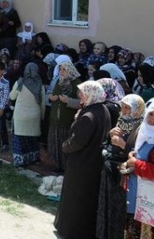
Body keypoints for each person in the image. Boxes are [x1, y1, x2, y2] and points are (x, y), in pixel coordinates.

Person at [54, 81, 111, 239]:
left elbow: (77, 142)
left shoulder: (88, 116)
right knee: (86, 199)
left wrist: (64, 146)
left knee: (75, 198)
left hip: (82, 164)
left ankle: (69, 230)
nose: (80, 96)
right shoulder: (102, 109)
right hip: (93, 163)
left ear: (91, 94)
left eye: (83, 93)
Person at [97, 94, 145, 239]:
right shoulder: (121, 122)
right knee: (107, 207)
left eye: (127, 108)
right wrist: (109, 135)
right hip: (110, 172)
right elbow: (107, 145)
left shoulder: (142, 129)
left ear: (137, 110)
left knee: (119, 212)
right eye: (122, 107)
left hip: (125, 178)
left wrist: (122, 144)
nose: (123, 111)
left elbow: (139, 155)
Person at [124, 101, 154, 238]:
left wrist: (135, 164)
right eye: (151, 114)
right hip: (137, 197)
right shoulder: (142, 132)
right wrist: (130, 162)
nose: (152, 119)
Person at [48, 61, 82, 172]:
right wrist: (52, 98)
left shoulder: (77, 84)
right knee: (56, 143)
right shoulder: (59, 81)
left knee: (65, 144)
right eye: (60, 69)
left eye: (64, 69)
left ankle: (66, 167)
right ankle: (57, 165)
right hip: (55, 118)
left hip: (67, 120)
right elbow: (53, 95)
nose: (61, 72)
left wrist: (68, 100)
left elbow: (82, 102)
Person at [9, 63, 44, 167]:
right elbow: (42, 104)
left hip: (21, 116)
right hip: (34, 116)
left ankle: (20, 161)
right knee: (32, 140)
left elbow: (12, 97)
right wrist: (42, 117)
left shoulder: (20, 82)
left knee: (20, 139)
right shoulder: (40, 85)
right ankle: (33, 158)